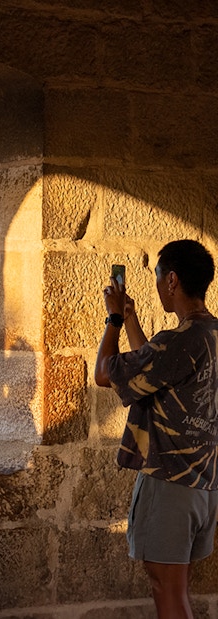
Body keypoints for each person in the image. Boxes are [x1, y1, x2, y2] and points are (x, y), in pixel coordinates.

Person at [95, 240, 218, 619]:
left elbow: (104, 373)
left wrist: (113, 320)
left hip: (169, 485)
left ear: (173, 281)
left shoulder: (178, 341)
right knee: (178, 591)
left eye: (159, 276)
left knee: (167, 593)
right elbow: (157, 373)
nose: (158, 285)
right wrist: (132, 319)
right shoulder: (207, 335)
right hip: (204, 486)